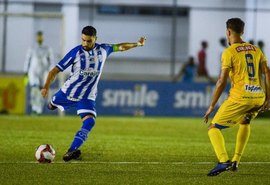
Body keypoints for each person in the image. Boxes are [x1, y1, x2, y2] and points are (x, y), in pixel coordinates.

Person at [41, 26, 146, 162]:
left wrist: (137, 44)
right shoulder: (75, 53)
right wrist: (46, 87)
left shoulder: (103, 50)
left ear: (96, 39)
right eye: (83, 40)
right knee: (50, 106)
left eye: (89, 41)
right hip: (68, 92)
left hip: (87, 95)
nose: (85, 43)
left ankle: (71, 150)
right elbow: (54, 71)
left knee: (90, 121)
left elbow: (120, 47)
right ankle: (53, 104)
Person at [204, 18, 270, 176]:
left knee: (213, 128)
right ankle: (236, 161)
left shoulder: (229, 52)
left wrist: (212, 105)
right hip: (258, 96)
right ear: (242, 31)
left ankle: (223, 161)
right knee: (245, 121)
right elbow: (267, 72)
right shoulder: (256, 49)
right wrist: (268, 97)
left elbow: (221, 81)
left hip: (241, 97)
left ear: (228, 32)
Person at [24, 31, 54, 115]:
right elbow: (27, 60)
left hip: (43, 72)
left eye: (41, 36)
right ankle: (34, 108)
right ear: (36, 37)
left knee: (42, 91)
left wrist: (51, 72)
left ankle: (39, 110)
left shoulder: (48, 48)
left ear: (43, 37)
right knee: (34, 89)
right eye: (38, 36)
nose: (40, 38)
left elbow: (51, 61)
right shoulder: (32, 48)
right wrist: (25, 71)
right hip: (33, 71)